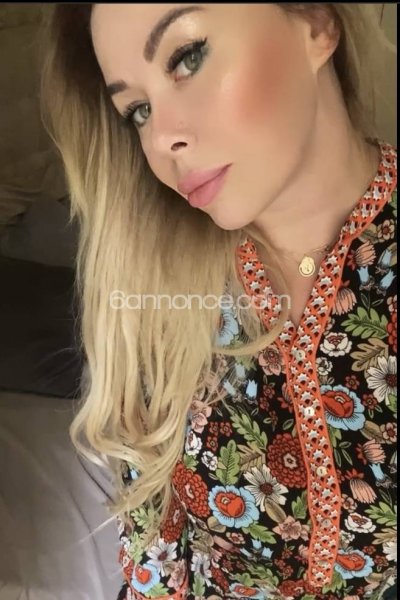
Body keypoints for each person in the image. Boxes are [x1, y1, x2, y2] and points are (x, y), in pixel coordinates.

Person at [39, 4, 397, 599]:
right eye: (138, 110)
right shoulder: (154, 279)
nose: (162, 138)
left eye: (187, 58)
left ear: (316, 22)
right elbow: (153, 544)